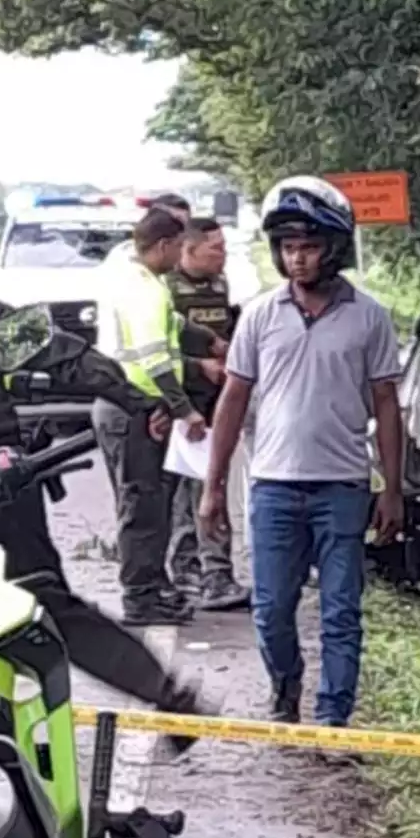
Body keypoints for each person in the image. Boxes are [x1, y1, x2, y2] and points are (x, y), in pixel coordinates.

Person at [0, 275, 213, 755]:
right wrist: (136, 399)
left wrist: (140, 401)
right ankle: (166, 695)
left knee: (35, 602)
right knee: (44, 604)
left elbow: (57, 352)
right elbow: (64, 355)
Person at [198, 175, 405, 726]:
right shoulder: (261, 316)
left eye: (309, 247)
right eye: (289, 248)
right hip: (272, 486)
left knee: (341, 612)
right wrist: (213, 486)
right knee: (271, 611)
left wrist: (392, 488)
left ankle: (333, 718)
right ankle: (284, 689)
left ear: (333, 249)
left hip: (342, 485)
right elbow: (233, 400)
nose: (298, 259)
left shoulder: (370, 319)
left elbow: (387, 405)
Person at [93, 207, 225, 626]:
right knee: (143, 506)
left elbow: (173, 325)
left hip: (132, 404)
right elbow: (153, 359)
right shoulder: (147, 289)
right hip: (132, 405)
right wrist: (184, 410)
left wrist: (209, 341)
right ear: (166, 246)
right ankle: (141, 597)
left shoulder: (132, 279)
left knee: (151, 503)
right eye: (179, 247)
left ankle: (152, 586)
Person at [166, 217, 250, 611]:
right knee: (188, 490)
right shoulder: (165, 289)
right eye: (215, 249)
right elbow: (158, 350)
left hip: (217, 402)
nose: (223, 256)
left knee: (211, 484)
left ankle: (213, 573)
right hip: (181, 404)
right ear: (188, 249)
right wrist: (198, 368)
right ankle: (194, 571)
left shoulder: (220, 285)